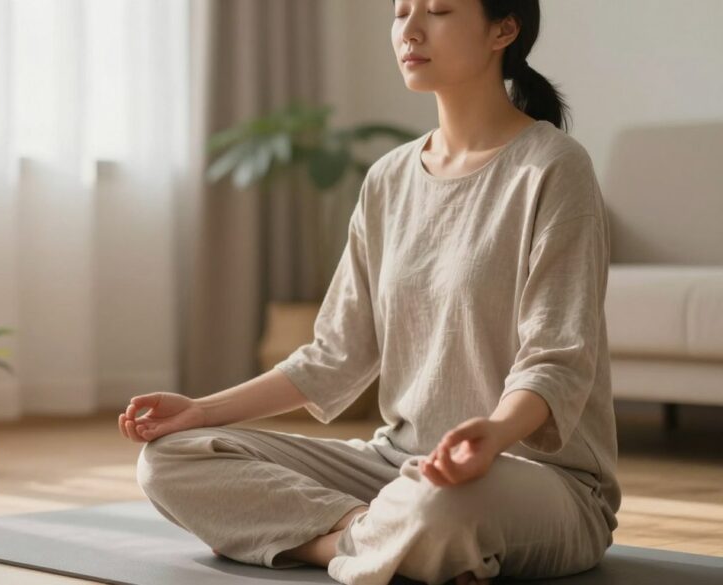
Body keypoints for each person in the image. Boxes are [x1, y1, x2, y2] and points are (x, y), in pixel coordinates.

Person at [118, 1, 620, 584]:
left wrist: (497, 432)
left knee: (441, 505)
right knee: (169, 460)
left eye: (436, 10)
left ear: (503, 30)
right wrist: (201, 411)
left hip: (531, 476)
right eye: (400, 11)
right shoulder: (388, 178)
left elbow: (556, 358)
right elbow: (336, 356)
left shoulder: (553, 167)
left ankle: (371, 536)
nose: (409, 30)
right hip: (395, 469)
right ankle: (355, 539)